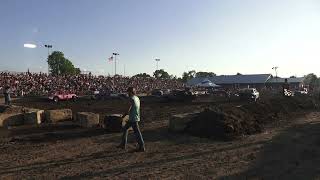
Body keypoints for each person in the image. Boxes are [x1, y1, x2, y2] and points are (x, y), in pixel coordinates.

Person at [117, 87, 145, 152]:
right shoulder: (137, 98)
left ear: (130, 92)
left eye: (128, 92)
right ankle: (123, 144)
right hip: (135, 117)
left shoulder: (131, 99)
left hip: (133, 118)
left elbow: (128, 110)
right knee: (125, 129)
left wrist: (123, 116)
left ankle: (142, 147)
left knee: (137, 132)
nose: (127, 93)